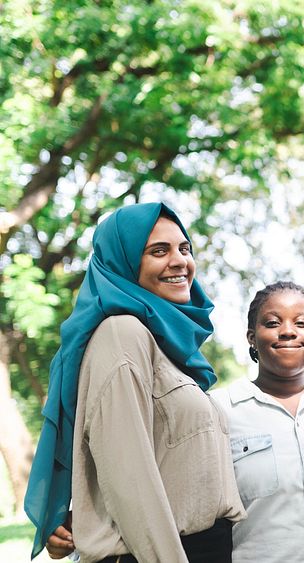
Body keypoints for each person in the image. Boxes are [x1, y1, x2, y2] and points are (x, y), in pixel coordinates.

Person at [26, 202, 245, 562]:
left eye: (184, 248)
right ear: (123, 262)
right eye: (158, 251)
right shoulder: (121, 334)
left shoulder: (163, 345)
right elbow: (131, 482)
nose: (179, 261)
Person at [211, 281, 304, 563]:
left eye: (301, 322)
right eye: (273, 323)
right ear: (251, 336)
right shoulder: (220, 410)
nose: (287, 331)